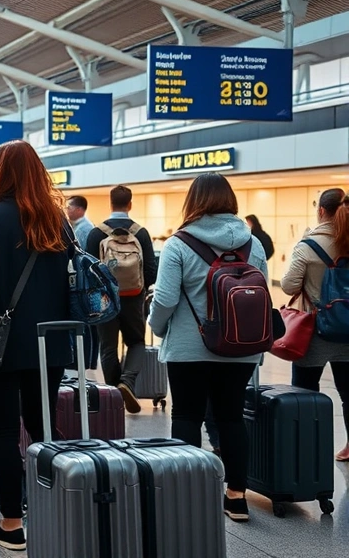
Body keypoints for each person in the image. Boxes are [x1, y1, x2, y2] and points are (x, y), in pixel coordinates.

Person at [0, 140, 72, 551]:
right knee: (44, 428)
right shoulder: (58, 220)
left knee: (4, 431)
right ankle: (55, 506)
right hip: (49, 344)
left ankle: (10, 523)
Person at [148, 172, 268, 523]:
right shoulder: (253, 243)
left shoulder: (179, 243)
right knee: (231, 417)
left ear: (193, 201)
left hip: (189, 348)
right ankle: (236, 498)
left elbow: (166, 298)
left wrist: (156, 328)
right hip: (242, 346)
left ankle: (187, 494)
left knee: (186, 415)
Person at [281, 188, 349, 462]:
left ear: (321, 210)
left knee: (305, 393)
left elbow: (288, 285)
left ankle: (306, 449)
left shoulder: (308, 246)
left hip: (314, 333)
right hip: (347, 331)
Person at [85, 185, 158, 413]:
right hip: (133, 298)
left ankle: (114, 397)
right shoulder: (141, 233)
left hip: (103, 298)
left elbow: (87, 269)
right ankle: (127, 381)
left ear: (110, 203)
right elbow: (151, 270)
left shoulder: (97, 233)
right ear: (130, 204)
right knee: (136, 342)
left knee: (107, 347)